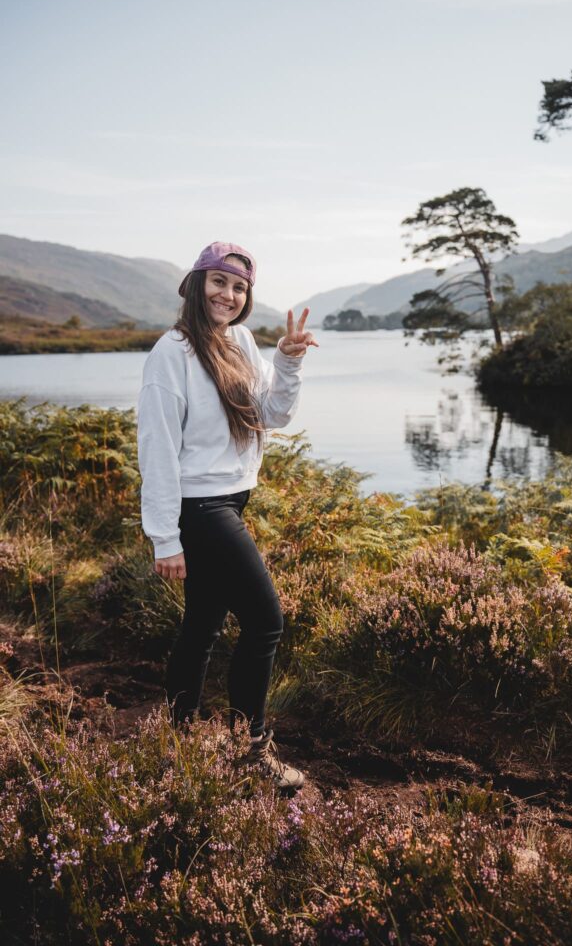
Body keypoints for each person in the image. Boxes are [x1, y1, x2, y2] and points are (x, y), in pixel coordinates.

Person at [136, 241, 318, 794]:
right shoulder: (171, 353)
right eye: (219, 282)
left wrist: (286, 359)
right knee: (266, 621)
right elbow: (158, 448)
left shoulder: (238, 340)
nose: (229, 295)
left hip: (231, 501)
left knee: (203, 626)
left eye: (239, 288)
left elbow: (271, 415)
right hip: (200, 508)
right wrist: (164, 537)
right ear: (195, 285)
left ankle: (176, 739)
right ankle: (253, 751)